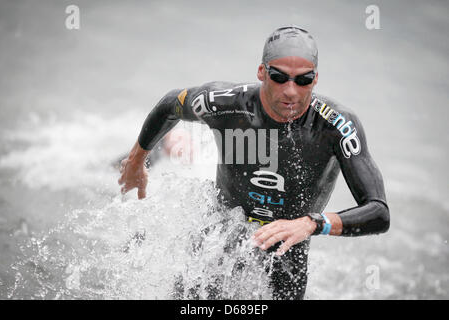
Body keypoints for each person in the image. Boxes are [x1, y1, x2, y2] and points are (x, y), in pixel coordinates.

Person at [118, 25, 390, 300]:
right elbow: (170, 105)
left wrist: (312, 224)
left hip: (286, 257)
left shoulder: (336, 126)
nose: (291, 91)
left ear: (316, 78)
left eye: (303, 80)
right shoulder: (226, 104)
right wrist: (136, 160)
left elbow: (378, 212)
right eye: (279, 77)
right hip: (220, 241)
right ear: (262, 72)